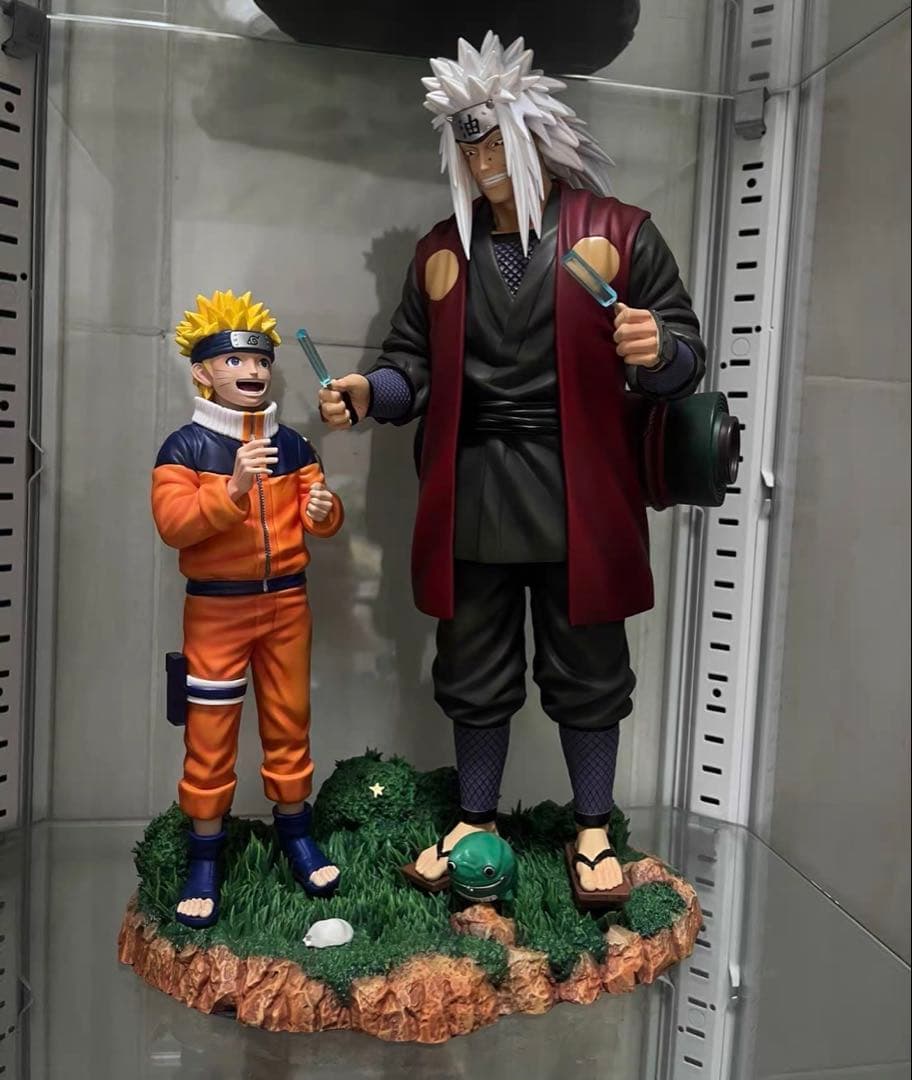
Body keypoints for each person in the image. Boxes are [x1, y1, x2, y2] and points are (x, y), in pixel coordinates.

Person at [320, 33, 706, 894]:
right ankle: (475, 815)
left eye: (494, 139)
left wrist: (656, 349)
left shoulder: (618, 233)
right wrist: (371, 392)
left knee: (589, 666)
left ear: (536, 134)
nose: (482, 159)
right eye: (467, 144)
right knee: (473, 665)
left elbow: (684, 356)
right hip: (474, 488)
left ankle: (593, 829)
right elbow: (410, 363)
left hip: (582, 490)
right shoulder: (441, 252)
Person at [152, 289, 343, 928]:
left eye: (260, 360)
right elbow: (174, 526)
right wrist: (233, 489)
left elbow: (322, 514)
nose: (253, 371)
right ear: (203, 373)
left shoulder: (293, 445)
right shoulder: (184, 448)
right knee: (209, 734)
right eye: (235, 361)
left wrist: (324, 511)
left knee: (290, 722)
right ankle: (204, 856)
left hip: (287, 604)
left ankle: (297, 834)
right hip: (216, 613)